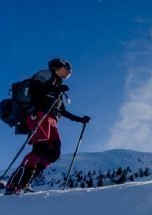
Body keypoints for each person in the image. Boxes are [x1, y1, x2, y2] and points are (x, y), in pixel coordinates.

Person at [5, 58, 90, 194]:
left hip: (52, 120)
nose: (68, 72)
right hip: (38, 114)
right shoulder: (47, 74)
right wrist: (55, 88)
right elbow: (36, 87)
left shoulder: (58, 89)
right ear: (57, 67)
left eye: (69, 71)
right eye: (66, 68)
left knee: (54, 153)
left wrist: (80, 119)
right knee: (40, 149)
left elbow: (62, 111)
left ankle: (25, 181)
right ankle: (14, 184)